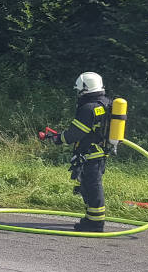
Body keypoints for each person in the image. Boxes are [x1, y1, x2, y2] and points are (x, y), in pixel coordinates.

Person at [48, 72, 113, 232]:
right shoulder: (105, 103)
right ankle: (90, 218)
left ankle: (95, 223)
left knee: (92, 186)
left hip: (90, 152)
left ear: (85, 89)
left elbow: (75, 133)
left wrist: (57, 138)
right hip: (100, 151)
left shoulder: (88, 108)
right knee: (87, 185)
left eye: (79, 90)